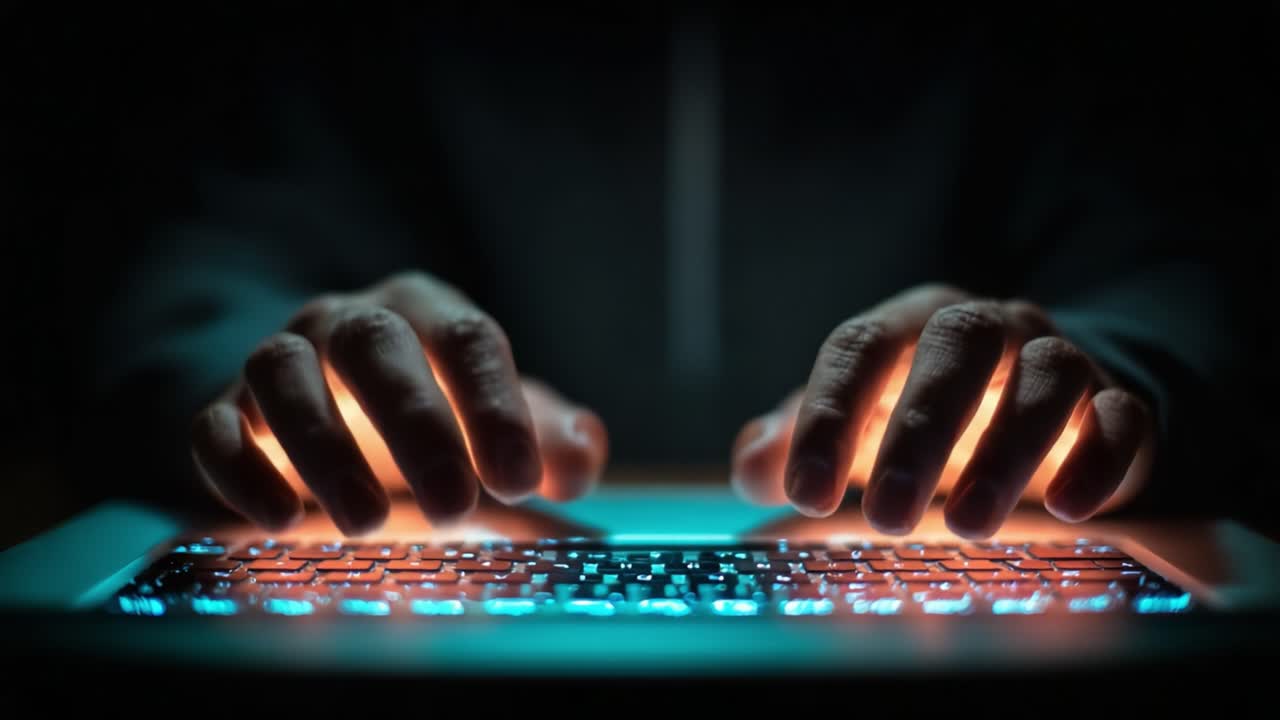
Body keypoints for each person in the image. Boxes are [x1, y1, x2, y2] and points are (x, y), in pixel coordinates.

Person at [68, 7, 1263, 538]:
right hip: (424, 530)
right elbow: (191, 265)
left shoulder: (1035, 36)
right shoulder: (359, 33)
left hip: (968, 530)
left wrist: (1106, 378)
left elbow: (1187, 264)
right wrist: (265, 375)